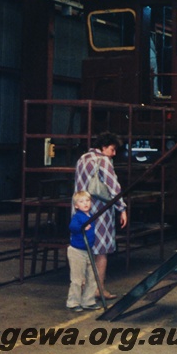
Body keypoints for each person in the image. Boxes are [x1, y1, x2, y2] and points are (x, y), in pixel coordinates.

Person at [74, 131, 128, 300]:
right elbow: (114, 188)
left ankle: (82, 289)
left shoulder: (82, 159)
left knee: (84, 251)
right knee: (101, 252)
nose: (114, 154)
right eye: (112, 149)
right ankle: (99, 289)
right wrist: (122, 208)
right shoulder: (104, 161)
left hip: (80, 212)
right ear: (104, 147)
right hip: (100, 213)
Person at [66, 191, 102, 312]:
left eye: (87, 201)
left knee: (92, 276)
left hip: (88, 251)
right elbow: (72, 227)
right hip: (77, 251)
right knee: (77, 278)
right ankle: (73, 302)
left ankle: (88, 300)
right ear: (76, 206)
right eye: (81, 202)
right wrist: (81, 227)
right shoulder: (78, 216)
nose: (85, 203)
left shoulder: (90, 216)